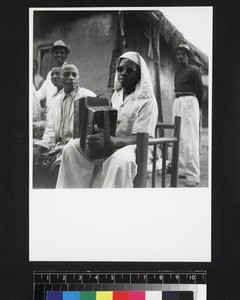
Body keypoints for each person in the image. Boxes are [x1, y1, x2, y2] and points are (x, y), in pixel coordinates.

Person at [56, 51, 158, 188]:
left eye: (130, 70)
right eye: (120, 69)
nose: (123, 73)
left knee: (120, 160)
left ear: (140, 74)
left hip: (136, 147)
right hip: (112, 144)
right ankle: (73, 197)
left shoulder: (147, 100)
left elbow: (143, 137)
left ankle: (111, 206)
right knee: (72, 148)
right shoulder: (116, 95)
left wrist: (113, 141)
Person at [33, 64, 96, 188]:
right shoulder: (56, 100)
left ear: (79, 78)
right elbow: (50, 129)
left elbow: (92, 131)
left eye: (74, 74)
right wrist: (41, 148)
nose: (71, 78)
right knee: (34, 162)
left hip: (78, 148)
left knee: (58, 169)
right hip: (59, 145)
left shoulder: (89, 97)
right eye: (66, 74)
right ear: (61, 79)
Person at [173, 44, 204, 187]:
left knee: (190, 138)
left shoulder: (194, 70)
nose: (181, 56)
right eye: (179, 54)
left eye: (184, 54)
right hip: (178, 101)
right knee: (178, 136)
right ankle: (182, 170)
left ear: (188, 56)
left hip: (190, 101)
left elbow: (200, 91)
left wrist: (199, 109)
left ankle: (192, 175)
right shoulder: (177, 73)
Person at [36, 39, 70, 111]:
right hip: (50, 114)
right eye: (56, 53)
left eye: (62, 53)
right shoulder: (50, 74)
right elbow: (41, 93)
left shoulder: (70, 72)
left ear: (66, 55)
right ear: (53, 55)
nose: (59, 55)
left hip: (63, 112)